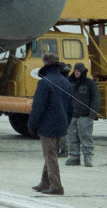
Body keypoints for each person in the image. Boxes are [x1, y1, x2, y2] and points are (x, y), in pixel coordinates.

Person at [27, 52, 74, 196]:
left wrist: (31, 124)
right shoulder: (66, 82)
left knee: (50, 155)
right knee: (50, 152)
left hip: (47, 125)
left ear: (45, 64)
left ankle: (56, 186)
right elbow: (71, 107)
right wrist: (66, 123)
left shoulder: (44, 82)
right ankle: (44, 183)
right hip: (61, 124)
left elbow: (38, 107)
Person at [66, 62, 101, 167]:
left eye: (78, 71)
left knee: (86, 137)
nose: (76, 73)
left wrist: (92, 114)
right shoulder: (69, 82)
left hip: (85, 116)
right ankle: (74, 157)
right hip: (72, 116)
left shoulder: (90, 83)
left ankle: (88, 157)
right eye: (75, 71)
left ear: (82, 72)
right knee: (72, 137)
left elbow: (96, 98)